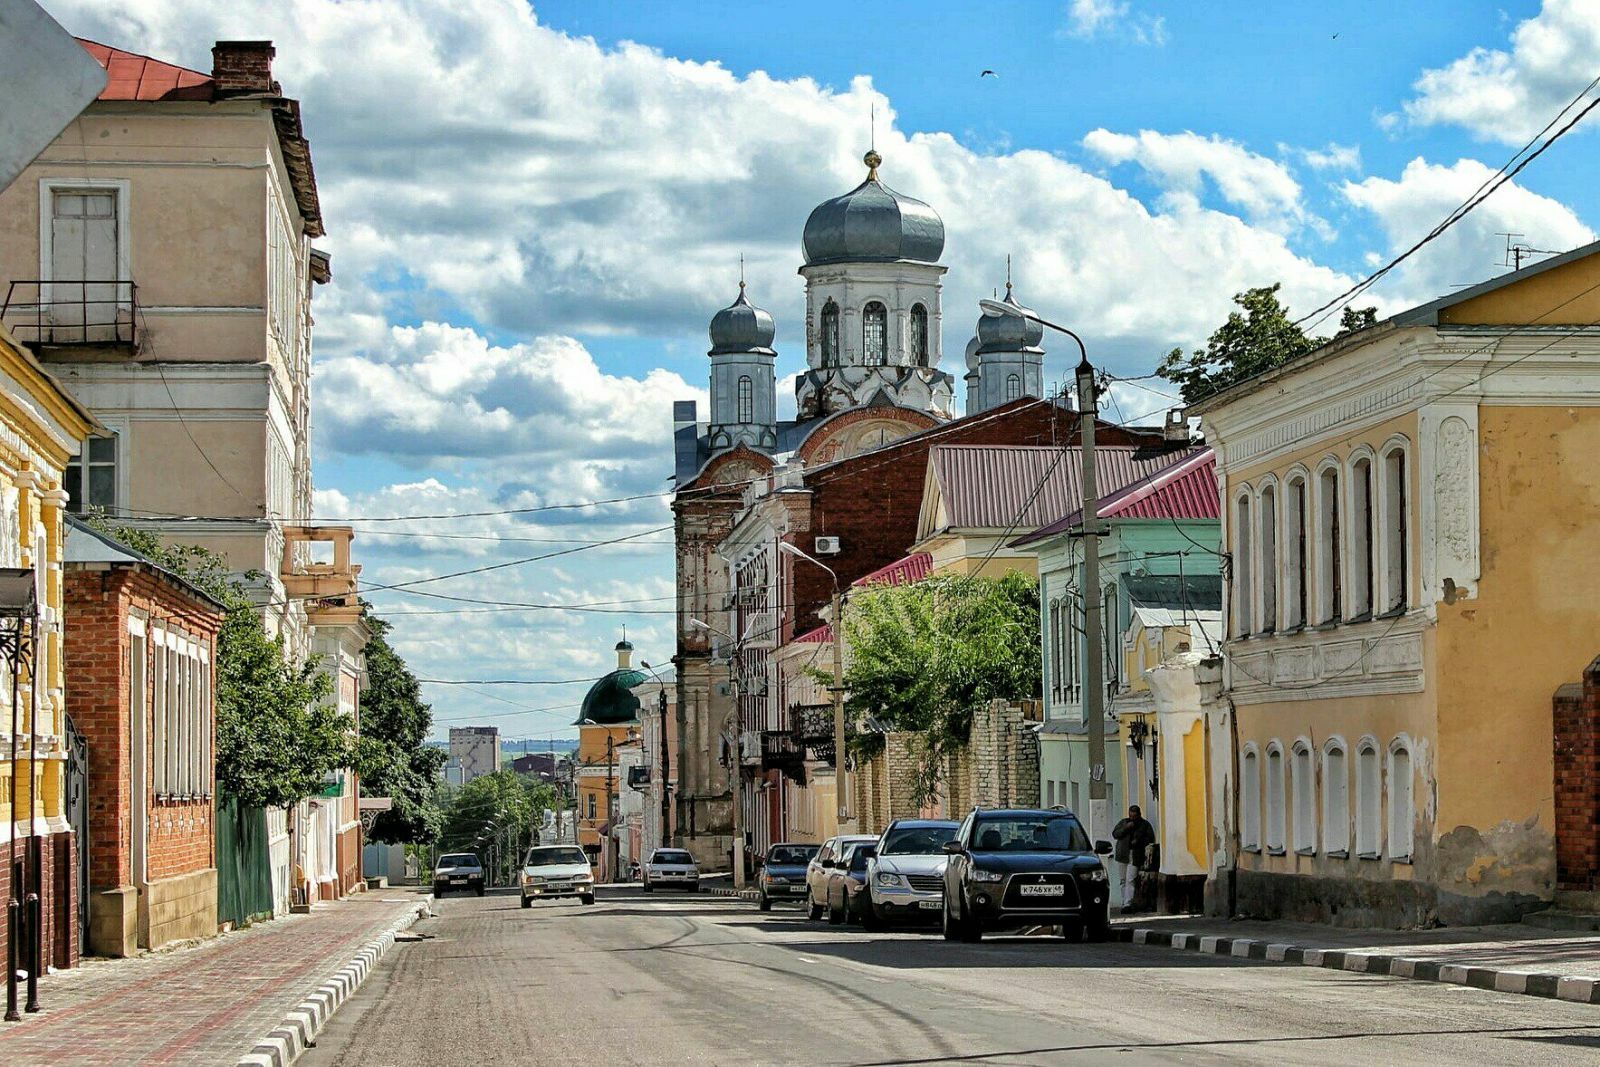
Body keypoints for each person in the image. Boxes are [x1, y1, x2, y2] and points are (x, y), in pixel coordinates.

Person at [1111, 804, 1155, 913]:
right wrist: (1126, 828)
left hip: (1135, 855)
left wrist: (1139, 841)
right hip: (1123, 855)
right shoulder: (1124, 822)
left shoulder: (1144, 825)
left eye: (1134, 816)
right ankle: (1124, 901)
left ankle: (1128, 904)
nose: (1132, 818)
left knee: (1130, 879)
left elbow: (1150, 838)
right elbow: (1115, 834)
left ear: (1139, 815)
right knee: (1123, 880)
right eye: (1131, 816)